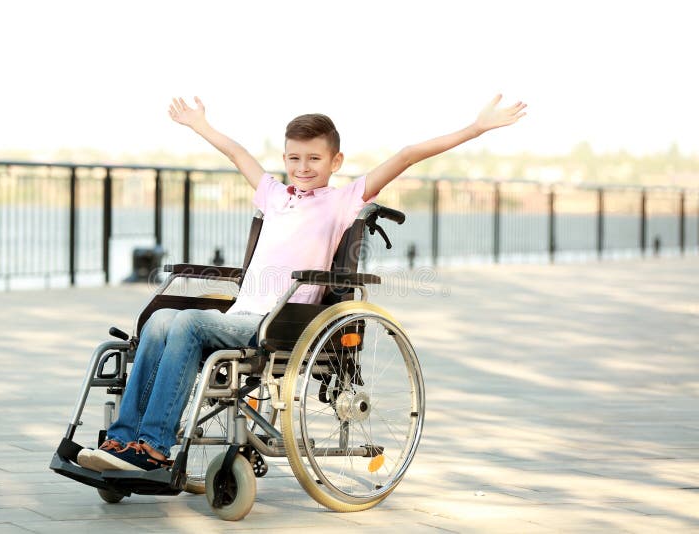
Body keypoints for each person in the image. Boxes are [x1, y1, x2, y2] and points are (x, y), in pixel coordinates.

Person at [78, 94, 526, 472]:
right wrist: (200, 125)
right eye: (295, 158)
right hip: (241, 315)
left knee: (188, 323)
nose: (303, 166)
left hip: (278, 323)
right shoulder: (273, 196)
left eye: (314, 158)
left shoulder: (341, 202)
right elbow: (236, 153)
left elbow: (408, 155)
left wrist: (476, 128)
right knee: (161, 322)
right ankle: (122, 442)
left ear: (336, 161)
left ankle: (154, 447)